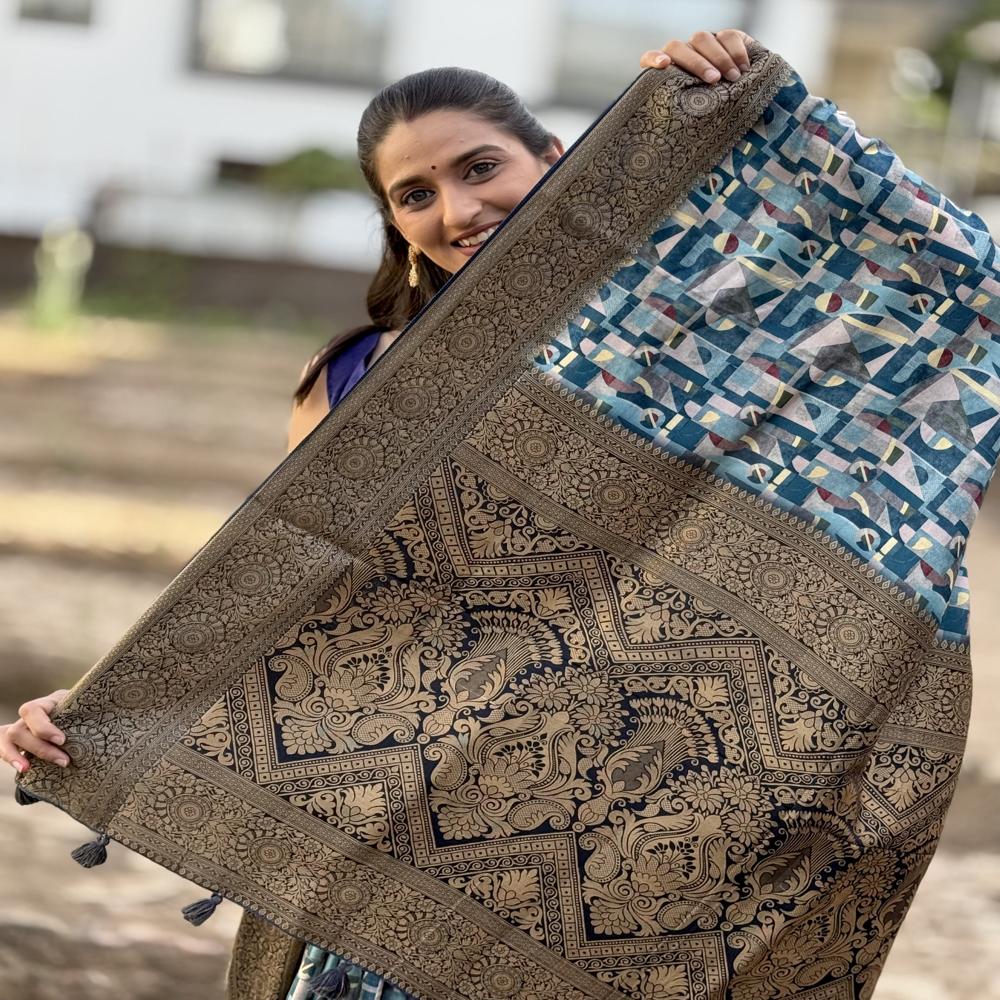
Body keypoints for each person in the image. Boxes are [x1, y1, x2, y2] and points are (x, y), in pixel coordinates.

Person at [1, 27, 756, 999]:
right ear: (395, 222)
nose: (459, 206)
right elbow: (285, 595)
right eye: (415, 193)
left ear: (556, 160)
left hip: (629, 808)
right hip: (409, 815)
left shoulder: (677, 340)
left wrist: (721, 93)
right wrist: (102, 706)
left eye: (482, 167)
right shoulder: (356, 379)